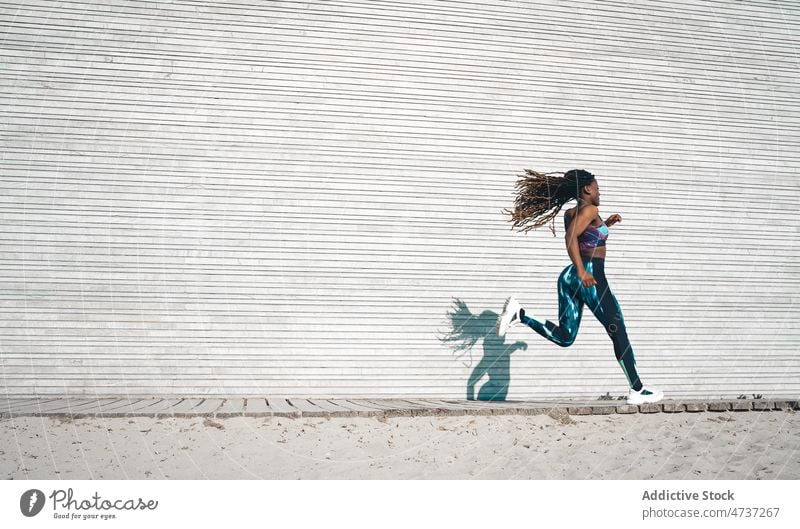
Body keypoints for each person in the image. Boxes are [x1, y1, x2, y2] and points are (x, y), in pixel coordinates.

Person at [495, 168, 664, 405]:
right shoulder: (590, 209)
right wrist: (583, 270)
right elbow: (571, 238)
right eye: (597, 188)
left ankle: (520, 314)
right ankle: (638, 389)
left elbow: (585, 237)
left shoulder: (572, 212)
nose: (600, 192)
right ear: (587, 189)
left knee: (566, 337)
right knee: (618, 329)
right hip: (590, 276)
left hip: (569, 278)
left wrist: (606, 225)